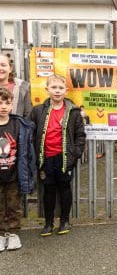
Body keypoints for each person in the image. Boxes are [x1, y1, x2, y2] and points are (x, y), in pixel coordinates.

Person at [29, 74, 86, 236]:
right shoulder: (38, 111)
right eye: (54, 88)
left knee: (65, 188)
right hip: (46, 158)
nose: (57, 91)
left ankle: (65, 220)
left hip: (65, 158)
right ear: (47, 90)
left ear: (66, 91)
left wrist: (75, 154)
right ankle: (48, 223)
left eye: (61, 88)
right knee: (48, 190)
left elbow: (80, 135)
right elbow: (29, 132)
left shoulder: (73, 112)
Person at [0, 87, 35, 251]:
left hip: (14, 175)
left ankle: (13, 233)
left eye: (7, 103)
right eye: (0, 103)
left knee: (14, 205)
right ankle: (1, 234)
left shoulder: (19, 124)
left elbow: (26, 152)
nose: (3, 106)